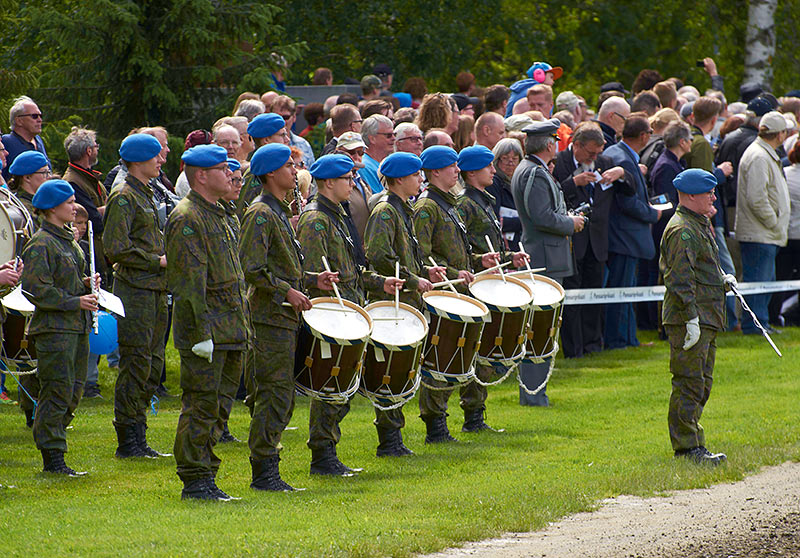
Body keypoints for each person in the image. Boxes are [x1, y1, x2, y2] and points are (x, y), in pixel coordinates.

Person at [296, 154, 402, 475]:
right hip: (331, 315)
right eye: (348, 178)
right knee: (331, 385)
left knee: (343, 387)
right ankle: (322, 456)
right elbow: (313, 275)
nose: (353, 183)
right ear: (329, 182)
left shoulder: (338, 215)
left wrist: (381, 282)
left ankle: (327, 453)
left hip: (350, 307)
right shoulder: (316, 220)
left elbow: (351, 271)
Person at [167, 144, 249, 501]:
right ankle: (195, 478)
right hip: (208, 330)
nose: (230, 174)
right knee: (201, 405)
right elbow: (188, 285)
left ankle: (206, 472)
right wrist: (200, 334)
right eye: (221, 169)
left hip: (230, 327)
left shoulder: (218, 212)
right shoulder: (188, 218)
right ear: (201, 175)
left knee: (219, 407)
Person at [413, 145, 498, 440]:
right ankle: (435, 426)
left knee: (464, 355)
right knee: (442, 358)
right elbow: (421, 258)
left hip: (460, 289)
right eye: (451, 166)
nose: (457, 170)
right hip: (443, 294)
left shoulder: (447, 203)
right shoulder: (427, 207)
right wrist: (451, 274)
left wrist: (477, 261)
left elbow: (456, 251)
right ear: (436, 171)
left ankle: (473, 417)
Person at [363, 152, 444, 455]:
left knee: (402, 370)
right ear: (399, 179)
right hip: (390, 299)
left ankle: (394, 437)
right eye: (415, 175)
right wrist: (413, 280)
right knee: (390, 371)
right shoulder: (386, 211)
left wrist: (425, 272)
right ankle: (389, 440)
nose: (421, 180)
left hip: (405, 297)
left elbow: (404, 256)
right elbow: (380, 255)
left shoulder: (403, 209)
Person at [21, 179, 95, 476]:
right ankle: (53, 457)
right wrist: (75, 301)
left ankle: (55, 445)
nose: (74, 207)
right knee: (57, 391)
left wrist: (87, 286)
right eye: (69, 202)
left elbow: (66, 282)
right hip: (55, 330)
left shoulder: (67, 241)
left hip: (76, 328)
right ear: (52, 208)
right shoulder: (40, 243)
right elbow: (36, 290)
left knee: (73, 392)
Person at [103, 133, 170, 459]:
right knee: (137, 363)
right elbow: (115, 248)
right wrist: (155, 260)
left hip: (155, 289)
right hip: (136, 290)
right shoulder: (125, 196)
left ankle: (138, 435)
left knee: (152, 364)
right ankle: (128, 440)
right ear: (139, 161)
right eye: (155, 156)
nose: (161, 161)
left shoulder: (147, 191)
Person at [660, 169, 733, 465]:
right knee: (689, 382)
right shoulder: (682, 229)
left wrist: (721, 279)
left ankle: (694, 442)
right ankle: (687, 449)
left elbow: (700, 267)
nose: (713, 197)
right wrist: (690, 317)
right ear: (691, 195)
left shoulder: (697, 223)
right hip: (690, 317)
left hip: (705, 315)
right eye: (709, 192)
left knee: (702, 382)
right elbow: (679, 278)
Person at [511, 120, 584, 404]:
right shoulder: (534, 173)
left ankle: (536, 393)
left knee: (543, 329)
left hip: (546, 255)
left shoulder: (533, 170)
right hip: (545, 258)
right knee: (541, 329)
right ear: (551, 144)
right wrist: (571, 223)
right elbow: (542, 217)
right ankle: (533, 395)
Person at [457, 145, 529, 429]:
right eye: (488, 166)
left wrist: (510, 256)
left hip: (489, 280)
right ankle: (470, 416)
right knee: (477, 351)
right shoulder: (465, 204)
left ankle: (476, 414)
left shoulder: (484, 200)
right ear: (472, 172)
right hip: (476, 283)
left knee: (485, 351)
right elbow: (462, 249)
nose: (493, 170)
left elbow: (494, 244)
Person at [552, 122, 626, 358]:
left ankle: (593, 345)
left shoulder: (605, 162)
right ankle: (573, 349)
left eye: (598, 153)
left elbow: (632, 188)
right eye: (591, 153)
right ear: (577, 146)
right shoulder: (560, 162)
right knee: (572, 296)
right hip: (573, 241)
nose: (594, 157)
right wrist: (573, 183)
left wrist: (622, 173)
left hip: (598, 241)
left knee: (594, 295)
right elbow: (550, 194)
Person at [603, 114, 662, 349]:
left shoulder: (620, 155)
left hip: (621, 236)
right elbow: (627, 202)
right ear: (644, 136)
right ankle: (619, 341)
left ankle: (629, 339)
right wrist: (652, 214)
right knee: (622, 292)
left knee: (626, 291)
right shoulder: (624, 159)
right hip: (625, 237)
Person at [735, 111, 790, 334]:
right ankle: (755, 326)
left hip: (764, 233)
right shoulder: (759, 156)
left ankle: (760, 324)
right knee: (758, 283)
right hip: (760, 233)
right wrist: (775, 223)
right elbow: (757, 198)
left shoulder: (763, 153)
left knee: (764, 281)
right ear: (780, 135)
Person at [236, 113, 291, 216]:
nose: (287, 140)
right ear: (266, 140)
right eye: (282, 135)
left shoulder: (274, 167)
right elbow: (248, 214)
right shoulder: (256, 173)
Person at [487, 138, 524, 251]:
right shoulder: (493, 183)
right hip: (504, 246)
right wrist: (525, 221)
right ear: (497, 160)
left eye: (514, 158)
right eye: (505, 158)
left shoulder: (519, 181)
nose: (510, 162)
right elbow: (495, 221)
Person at [2, 96, 49, 183]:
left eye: (40, 116)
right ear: (19, 120)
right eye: (34, 116)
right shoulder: (6, 142)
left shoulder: (38, 140)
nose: (40, 120)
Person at [359, 115, 395, 193]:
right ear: (372, 138)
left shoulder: (388, 162)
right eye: (389, 135)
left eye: (394, 134)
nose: (394, 138)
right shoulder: (364, 167)